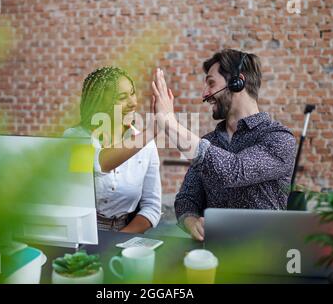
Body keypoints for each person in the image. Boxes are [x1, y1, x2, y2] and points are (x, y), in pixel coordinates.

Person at [150, 49, 297, 241]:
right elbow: (186, 199)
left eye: (211, 83)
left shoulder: (279, 138)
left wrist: (169, 124)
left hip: (264, 258)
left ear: (238, 83)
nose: (205, 93)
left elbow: (234, 170)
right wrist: (192, 221)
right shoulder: (210, 141)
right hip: (213, 255)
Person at [64, 67, 161, 233]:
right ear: (99, 104)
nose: (133, 103)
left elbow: (152, 207)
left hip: (126, 231)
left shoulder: (146, 145)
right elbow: (99, 163)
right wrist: (151, 131)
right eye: (122, 97)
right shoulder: (75, 138)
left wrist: (120, 238)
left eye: (132, 93)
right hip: (81, 231)